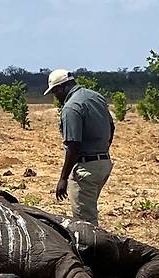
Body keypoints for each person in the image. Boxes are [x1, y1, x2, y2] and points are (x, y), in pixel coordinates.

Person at [44, 69, 115, 226]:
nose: (56, 97)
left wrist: (63, 178)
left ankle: (95, 250)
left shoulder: (71, 107)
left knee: (85, 224)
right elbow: (111, 127)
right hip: (104, 164)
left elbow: (73, 146)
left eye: (55, 92)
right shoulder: (96, 97)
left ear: (63, 87)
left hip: (86, 170)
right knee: (89, 211)